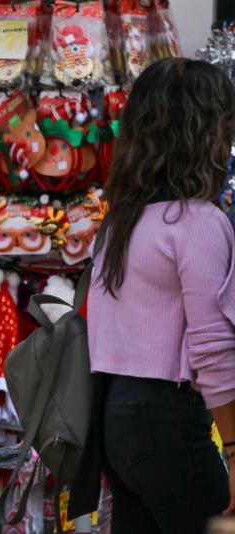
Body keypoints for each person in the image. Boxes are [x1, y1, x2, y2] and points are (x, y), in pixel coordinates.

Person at [88, 57, 235, 533]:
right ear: (207, 132)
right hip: (169, 418)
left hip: (116, 417)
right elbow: (213, 350)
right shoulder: (195, 223)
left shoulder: (123, 222)